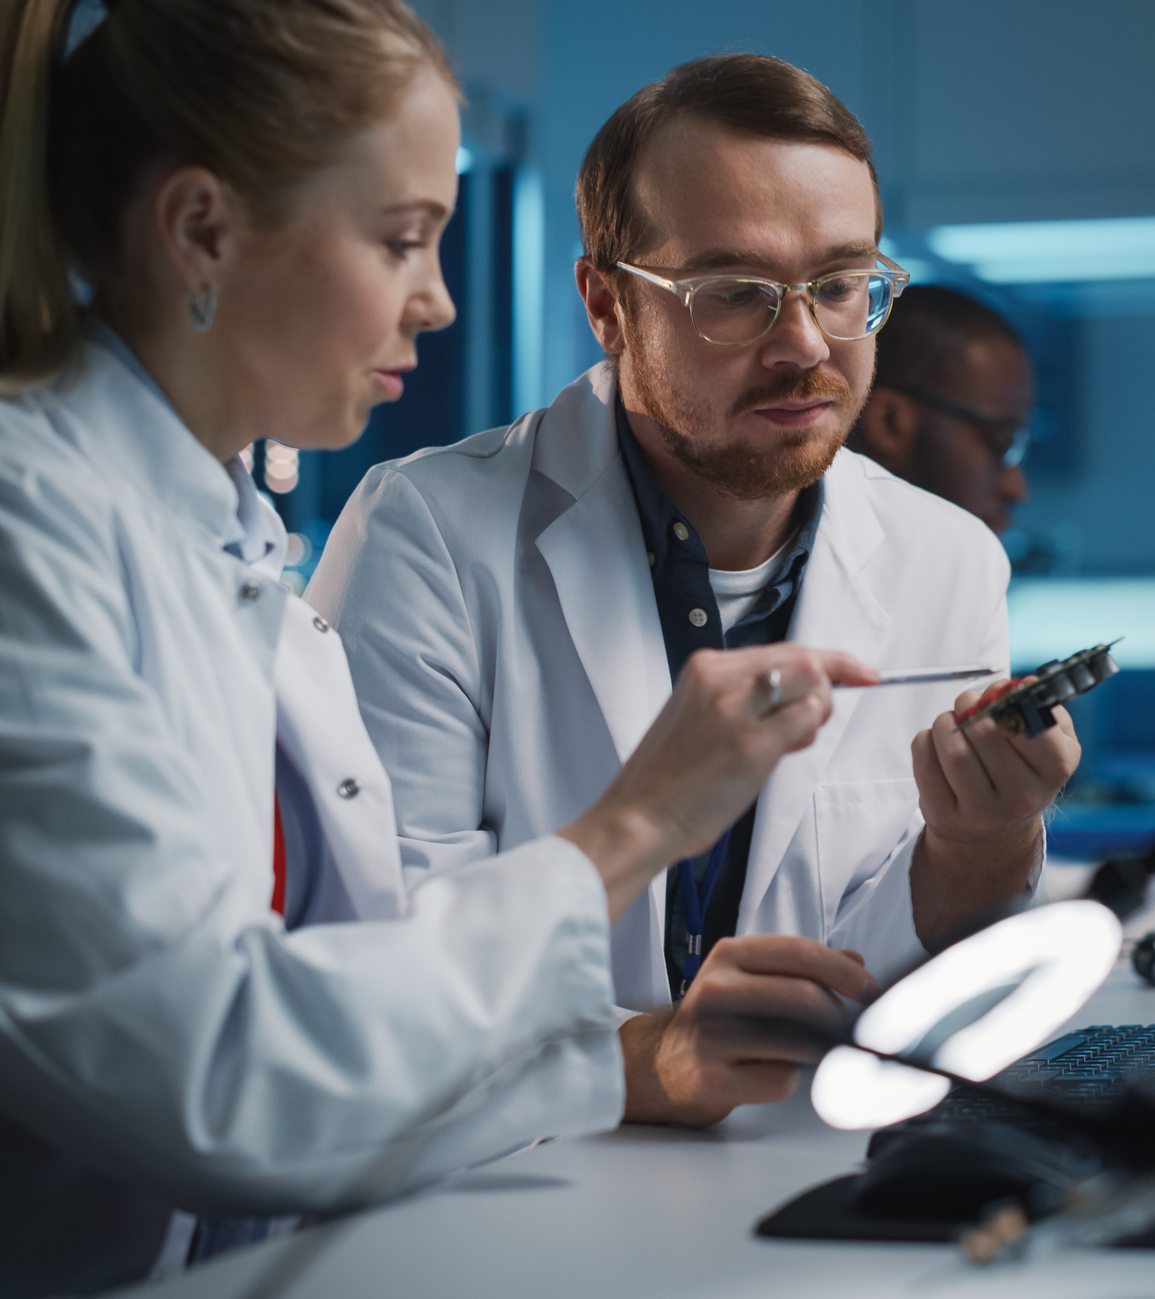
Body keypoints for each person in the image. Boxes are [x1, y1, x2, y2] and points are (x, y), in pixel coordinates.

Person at [0, 2, 872, 1293]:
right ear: (201, 231)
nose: (438, 300)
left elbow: (344, 997)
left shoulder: (223, 540)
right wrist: (633, 827)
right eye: (401, 238)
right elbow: (216, 1077)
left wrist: (636, 1058)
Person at [308, 54, 1081, 1125]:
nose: (803, 344)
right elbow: (380, 967)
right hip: (505, 1188)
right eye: (735, 295)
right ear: (606, 306)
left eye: (841, 285)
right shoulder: (429, 537)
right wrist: (646, 1060)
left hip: (804, 1171)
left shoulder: (947, 560)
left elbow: (899, 956)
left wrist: (981, 845)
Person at [849, 286, 1155, 932]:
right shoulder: (818, 642)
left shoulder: (929, 613)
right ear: (889, 422)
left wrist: (1152, 890)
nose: (1016, 484)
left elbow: (950, 884)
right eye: (999, 442)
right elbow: (879, 916)